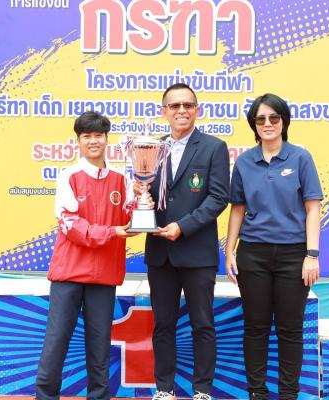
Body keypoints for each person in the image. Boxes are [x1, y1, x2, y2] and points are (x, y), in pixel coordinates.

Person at [224, 93, 323, 400]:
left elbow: (313, 208)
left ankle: (288, 394)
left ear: (284, 121)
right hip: (253, 254)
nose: (267, 124)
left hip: (294, 255)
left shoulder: (301, 158)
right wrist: (229, 251)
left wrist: (312, 255)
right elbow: (237, 209)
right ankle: (257, 393)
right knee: (255, 327)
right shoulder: (244, 162)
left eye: (274, 118)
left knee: (290, 329)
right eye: (261, 119)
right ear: (254, 125)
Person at [35, 111, 139, 400]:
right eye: (87, 136)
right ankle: (45, 396)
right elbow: (70, 224)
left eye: (98, 135)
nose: (93, 141)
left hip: (104, 274)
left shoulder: (122, 179)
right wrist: (112, 232)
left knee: (100, 344)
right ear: (78, 141)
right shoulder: (68, 176)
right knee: (57, 340)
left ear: (106, 139)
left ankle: (99, 396)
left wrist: (143, 201)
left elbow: (131, 222)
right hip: (69, 272)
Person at [140, 83, 230, 400]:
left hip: (197, 252)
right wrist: (140, 197)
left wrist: (183, 226)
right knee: (163, 324)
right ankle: (164, 389)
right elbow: (146, 193)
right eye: (175, 105)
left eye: (188, 105)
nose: (182, 110)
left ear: (197, 110)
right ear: (163, 111)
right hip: (160, 252)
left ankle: (202, 390)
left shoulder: (214, 147)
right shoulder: (151, 148)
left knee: (202, 324)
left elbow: (218, 197)